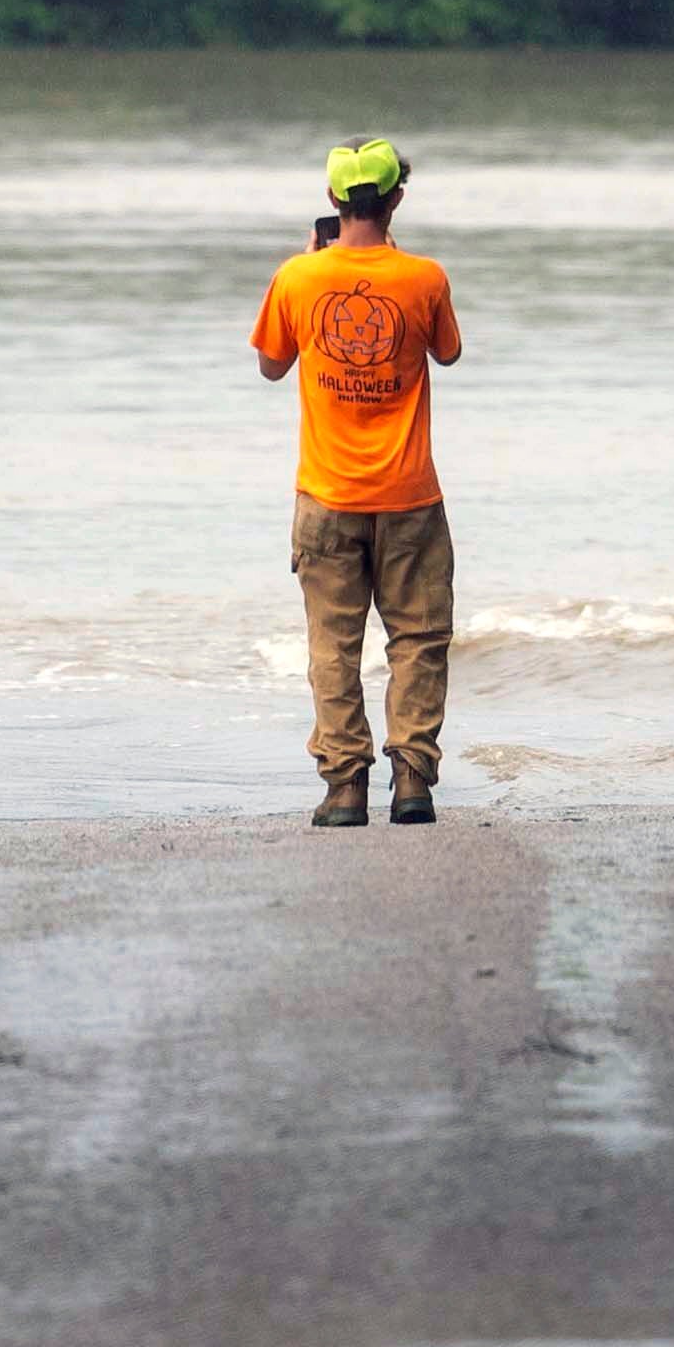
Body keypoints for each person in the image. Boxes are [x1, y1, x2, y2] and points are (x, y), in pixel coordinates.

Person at [252, 137, 463, 829]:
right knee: (418, 639)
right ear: (396, 196)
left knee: (331, 645)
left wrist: (312, 270)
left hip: (325, 495)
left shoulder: (296, 277)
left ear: (332, 201)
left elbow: (271, 367)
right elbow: (448, 352)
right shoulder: (424, 277)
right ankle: (412, 783)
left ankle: (345, 789)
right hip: (409, 494)